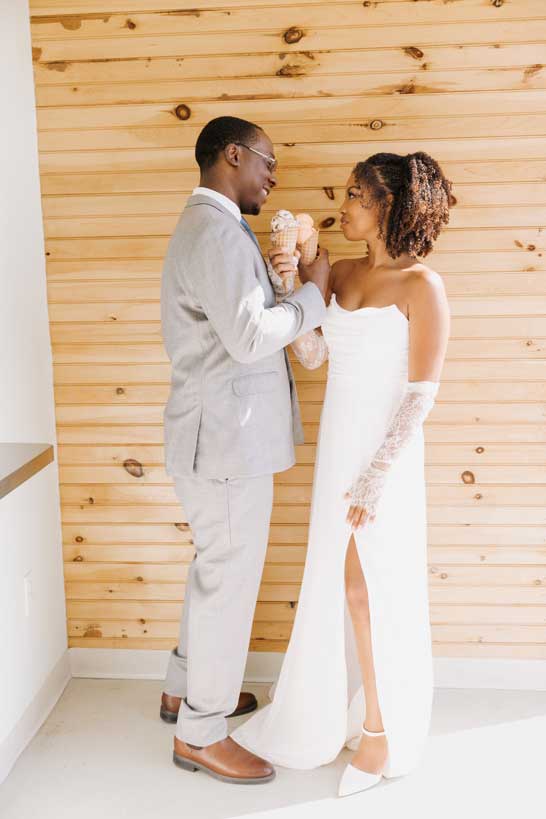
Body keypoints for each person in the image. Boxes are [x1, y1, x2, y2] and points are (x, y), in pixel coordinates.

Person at [232, 151, 452, 797]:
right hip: (338, 447)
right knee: (340, 584)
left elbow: (421, 394)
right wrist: (292, 284)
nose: (344, 204)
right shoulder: (342, 272)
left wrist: (376, 475)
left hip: (385, 458)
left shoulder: (423, 286)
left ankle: (381, 731)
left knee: (368, 589)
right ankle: (338, 718)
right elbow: (312, 354)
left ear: (389, 205)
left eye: (356, 194)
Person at [159, 116, 330, 784]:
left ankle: (183, 691)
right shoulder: (215, 231)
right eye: (268, 162)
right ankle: (201, 731)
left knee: (214, 572)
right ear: (232, 155)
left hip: (215, 439)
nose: (273, 177)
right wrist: (314, 295)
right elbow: (251, 335)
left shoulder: (215, 228)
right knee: (226, 586)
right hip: (226, 446)